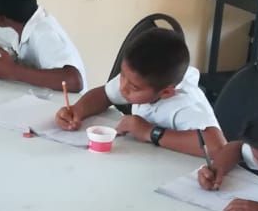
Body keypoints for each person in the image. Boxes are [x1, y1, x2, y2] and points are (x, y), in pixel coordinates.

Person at [57, 25, 224, 159]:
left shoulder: (185, 103)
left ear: (165, 92)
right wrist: (77, 111)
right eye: (122, 76)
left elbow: (217, 147)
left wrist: (149, 132)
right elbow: (104, 95)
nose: (123, 87)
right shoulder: (134, 79)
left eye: (134, 87)